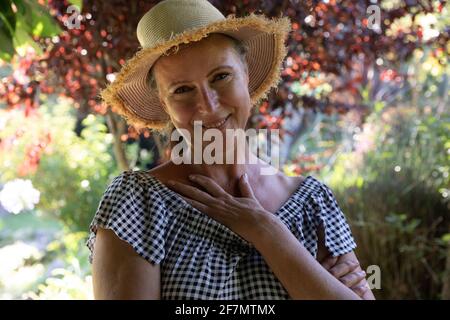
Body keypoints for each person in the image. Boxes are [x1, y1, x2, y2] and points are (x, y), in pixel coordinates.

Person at [86, 0, 375, 300]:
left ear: (246, 75)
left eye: (221, 77)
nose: (208, 107)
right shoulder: (138, 203)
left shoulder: (313, 203)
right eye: (182, 90)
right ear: (164, 104)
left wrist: (266, 230)